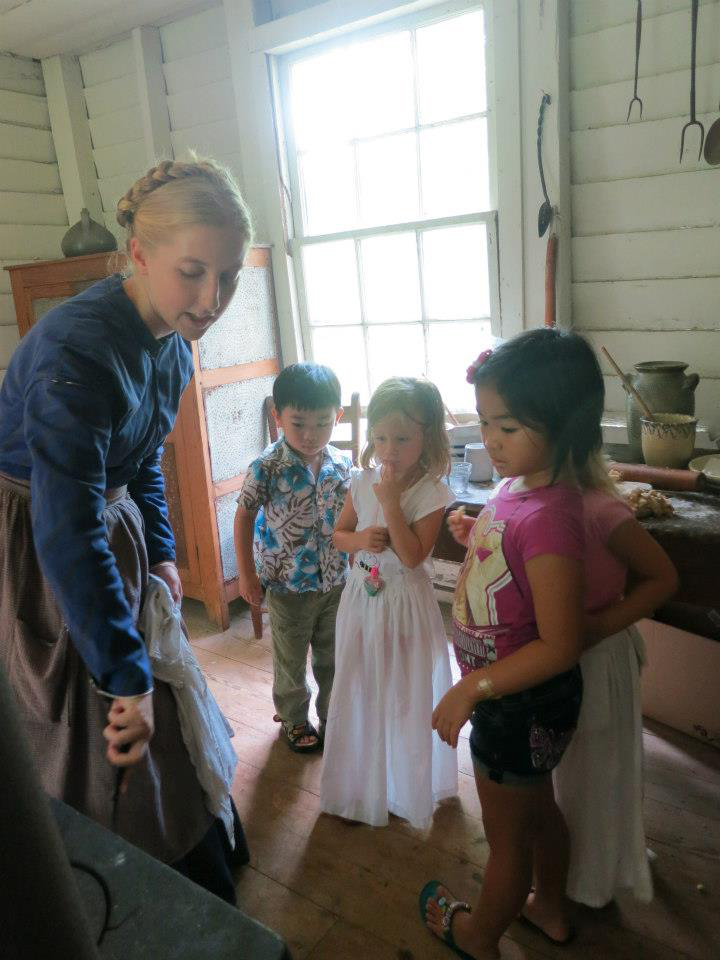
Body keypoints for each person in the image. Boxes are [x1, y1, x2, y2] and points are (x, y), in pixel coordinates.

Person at [0, 157, 252, 905]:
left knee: (162, 701)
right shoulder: (76, 351)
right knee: (86, 722)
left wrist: (164, 551)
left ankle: (195, 851)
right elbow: (67, 528)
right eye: (192, 273)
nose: (212, 301)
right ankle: (118, 894)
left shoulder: (171, 342)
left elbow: (141, 458)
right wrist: (123, 675)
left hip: (105, 526)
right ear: (138, 254)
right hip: (41, 540)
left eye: (229, 277)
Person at [421, 329, 601, 959]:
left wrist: (472, 686)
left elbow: (560, 643)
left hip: (515, 702)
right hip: (517, 699)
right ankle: (549, 907)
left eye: (508, 427)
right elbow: (519, 566)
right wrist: (481, 534)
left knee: (506, 841)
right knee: (536, 808)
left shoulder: (550, 517)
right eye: (485, 422)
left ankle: (477, 936)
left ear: (563, 425)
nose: (490, 440)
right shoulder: (519, 488)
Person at [320, 377, 458, 829]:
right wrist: (360, 538)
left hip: (404, 606)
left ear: (427, 437)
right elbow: (339, 535)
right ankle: (361, 784)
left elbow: (414, 556)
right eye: (380, 438)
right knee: (361, 684)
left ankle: (404, 787)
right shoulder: (360, 481)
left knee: (403, 691)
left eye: (402, 439)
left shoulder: (432, 493)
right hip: (361, 600)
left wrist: (393, 504)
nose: (389, 450)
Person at [553, 482, 677, 907]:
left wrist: (600, 627)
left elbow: (663, 577)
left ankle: (593, 877)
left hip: (598, 658)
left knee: (598, 772)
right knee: (566, 769)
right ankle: (564, 863)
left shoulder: (600, 509)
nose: (495, 447)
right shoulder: (528, 496)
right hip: (555, 657)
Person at [235, 363, 351, 752]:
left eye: (322, 423)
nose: (309, 434)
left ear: (338, 416)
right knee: (290, 660)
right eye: (298, 423)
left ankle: (333, 716)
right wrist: (246, 575)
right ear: (278, 416)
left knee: (333, 657)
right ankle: (294, 718)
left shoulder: (342, 464)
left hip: (335, 581)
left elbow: (352, 519)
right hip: (286, 586)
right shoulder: (267, 466)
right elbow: (244, 515)